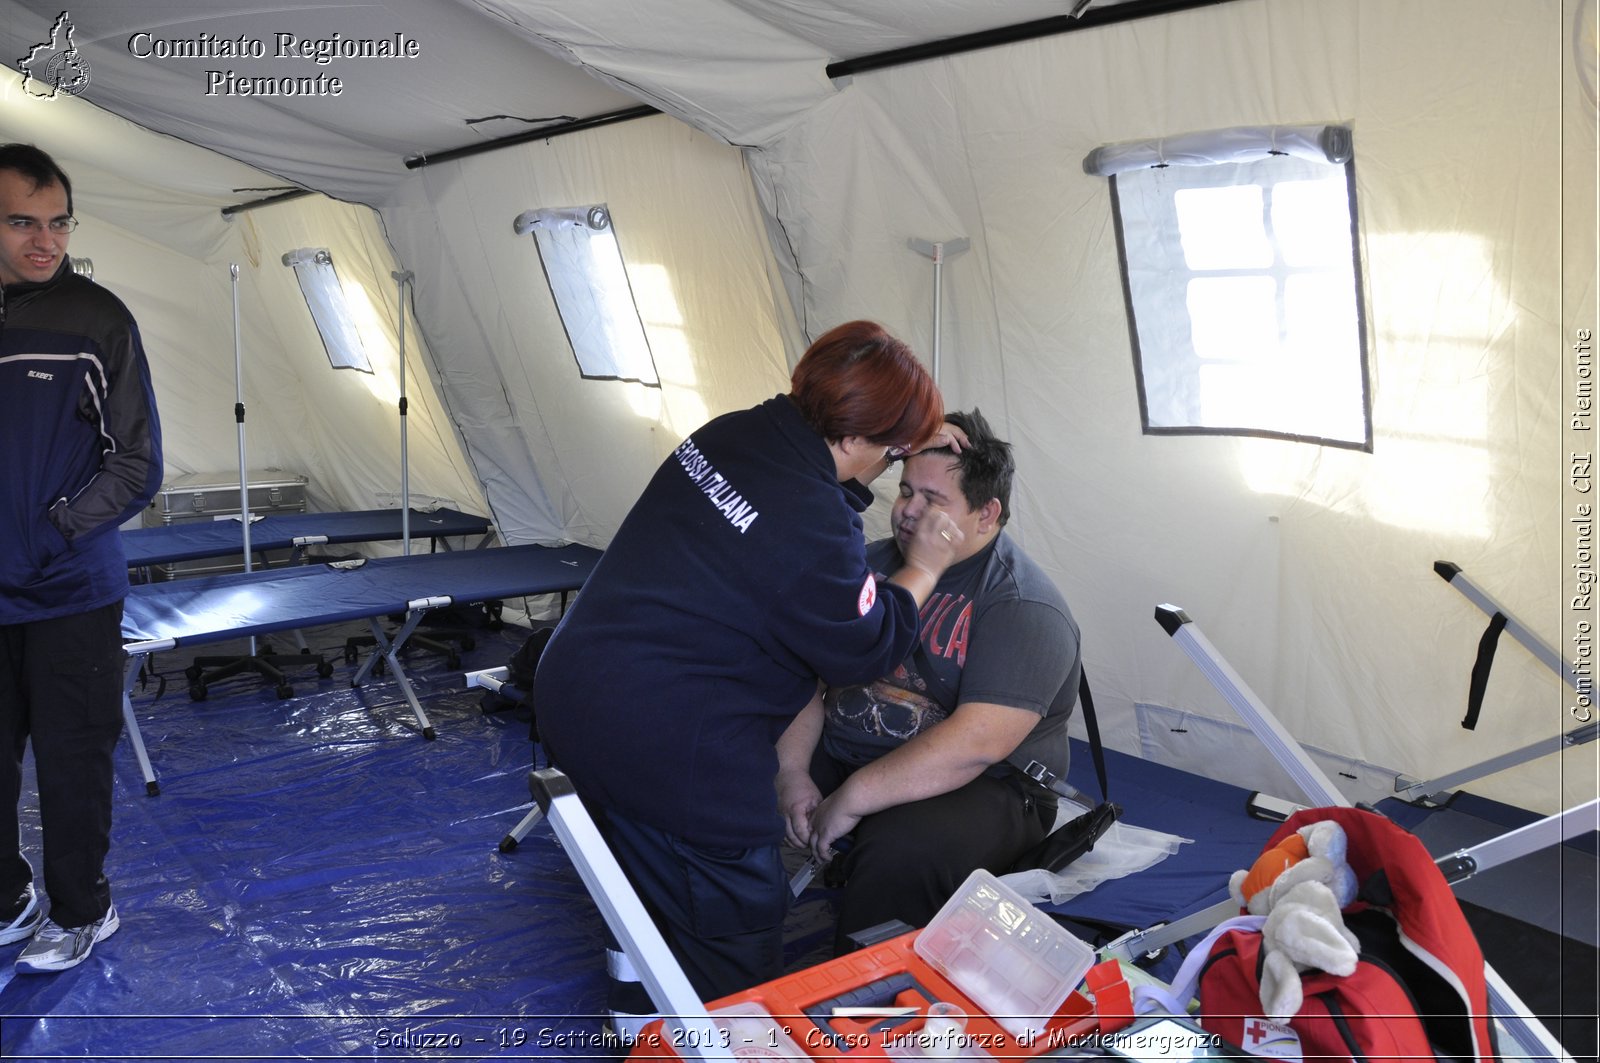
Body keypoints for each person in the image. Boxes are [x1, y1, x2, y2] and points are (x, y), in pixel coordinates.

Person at [534, 321, 966, 1026]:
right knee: (733, 927)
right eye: (893, 455)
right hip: (668, 745)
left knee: (635, 892)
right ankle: (710, 1034)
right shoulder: (813, 522)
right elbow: (865, 646)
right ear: (860, 437)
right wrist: (925, 566)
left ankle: (639, 1019)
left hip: (579, 689)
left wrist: (905, 430)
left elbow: (786, 524)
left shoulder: (730, 433)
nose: (896, 477)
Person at [775, 408, 1080, 954]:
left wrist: (854, 796)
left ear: (986, 514)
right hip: (851, 748)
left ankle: (865, 1004)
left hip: (989, 787)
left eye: (934, 501)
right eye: (906, 491)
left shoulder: (1023, 606)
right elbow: (805, 678)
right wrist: (793, 771)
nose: (909, 512)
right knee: (729, 782)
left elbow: (975, 745)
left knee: (902, 854)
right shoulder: (865, 565)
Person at [0, 143, 163, 973]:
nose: (45, 240)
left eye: (57, 221)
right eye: (22, 221)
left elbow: (137, 462)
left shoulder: (97, 320)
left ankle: (80, 909)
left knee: (71, 766)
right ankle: (7, 899)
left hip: (68, 592)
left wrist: (54, 530)